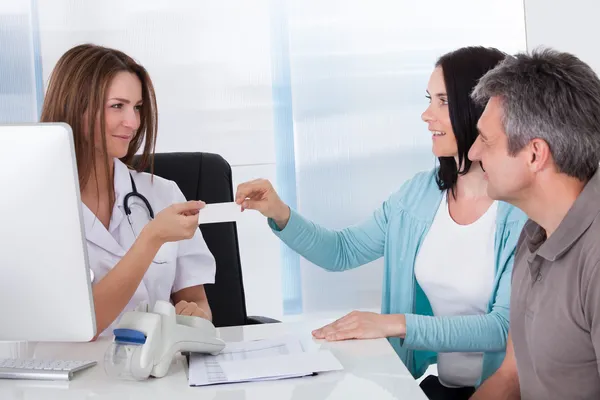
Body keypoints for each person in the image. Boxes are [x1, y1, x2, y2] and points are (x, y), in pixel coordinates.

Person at [236, 47, 527, 400]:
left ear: (483, 111)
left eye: (442, 102)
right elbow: (341, 251)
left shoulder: (519, 209)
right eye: (428, 100)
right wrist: (278, 212)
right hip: (443, 389)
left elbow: (503, 328)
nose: (426, 114)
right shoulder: (418, 195)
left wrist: (393, 324)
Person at [40, 44, 216, 338]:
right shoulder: (35, 207)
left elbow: (196, 301)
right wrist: (151, 238)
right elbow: (81, 326)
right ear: (75, 105)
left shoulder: (163, 194)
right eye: (117, 106)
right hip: (74, 377)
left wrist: (195, 315)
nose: (133, 123)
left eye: (136, 108)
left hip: (155, 372)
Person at [468, 49, 600, 400]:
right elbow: (512, 375)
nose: (473, 154)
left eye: (486, 140)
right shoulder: (534, 232)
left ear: (534, 154)